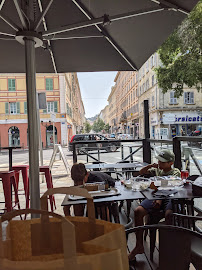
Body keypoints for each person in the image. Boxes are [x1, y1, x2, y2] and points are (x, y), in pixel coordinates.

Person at [128, 149, 180, 261]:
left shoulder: (175, 172)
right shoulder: (157, 170)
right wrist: (150, 166)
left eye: (163, 162)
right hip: (155, 197)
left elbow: (170, 185)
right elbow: (139, 173)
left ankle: (169, 249)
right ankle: (139, 245)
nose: (160, 163)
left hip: (169, 197)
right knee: (138, 211)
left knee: (169, 214)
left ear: (171, 163)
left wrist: (160, 199)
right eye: (159, 161)